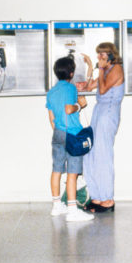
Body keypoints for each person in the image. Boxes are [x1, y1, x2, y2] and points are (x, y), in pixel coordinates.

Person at [46, 57, 94, 222]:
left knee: (57, 170)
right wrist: (80, 105)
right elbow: (69, 109)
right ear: (71, 73)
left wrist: (59, 132)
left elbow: (51, 116)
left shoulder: (51, 92)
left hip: (58, 133)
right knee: (72, 173)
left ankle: (56, 205)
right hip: (72, 134)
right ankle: (73, 210)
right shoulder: (71, 89)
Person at [80, 43, 124, 213]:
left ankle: (107, 199)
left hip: (109, 111)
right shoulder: (105, 70)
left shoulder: (117, 69)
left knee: (103, 154)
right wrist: (91, 66)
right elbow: (88, 87)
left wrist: (100, 69)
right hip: (99, 110)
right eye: (98, 55)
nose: (100, 58)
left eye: (102, 55)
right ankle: (97, 196)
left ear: (111, 55)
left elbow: (104, 89)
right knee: (91, 153)